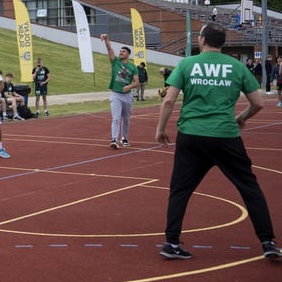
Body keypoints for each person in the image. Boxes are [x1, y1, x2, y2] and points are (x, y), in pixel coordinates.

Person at [155, 22, 280, 260]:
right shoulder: (237, 66)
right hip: (225, 136)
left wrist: (160, 129)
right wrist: (241, 118)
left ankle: (171, 242)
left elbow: (169, 100)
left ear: (202, 40)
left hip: (191, 135)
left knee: (180, 190)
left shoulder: (186, 64)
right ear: (222, 43)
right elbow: (259, 103)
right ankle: (268, 242)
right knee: (249, 188)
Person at [100, 34, 139, 149]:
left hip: (127, 96)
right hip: (116, 94)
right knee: (116, 118)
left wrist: (129, 86)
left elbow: (136, 82)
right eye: (120, 51)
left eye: (123, 51)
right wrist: (107, 39)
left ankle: (124, 138)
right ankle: (114, 140)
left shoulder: (133, 67)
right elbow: (109, 50)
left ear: (128, 54)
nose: (121, 52)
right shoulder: (115, 62)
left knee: (126, 118)